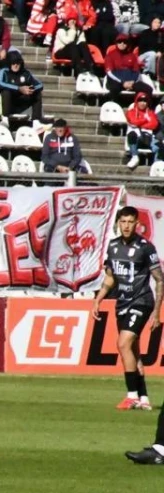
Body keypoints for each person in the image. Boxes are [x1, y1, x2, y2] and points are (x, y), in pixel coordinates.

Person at [92, 206, 163, 411]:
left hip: (141, 301)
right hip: (122, 303)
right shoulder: (113, 246)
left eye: (130, 222)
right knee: (133, 351)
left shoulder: (145, 247)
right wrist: (98, 299)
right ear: (118, 224)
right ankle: (143, 398)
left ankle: (131, 396)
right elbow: (110, 277)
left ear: (137, 224)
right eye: (123, 222)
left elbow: (159, 279)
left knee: (123, 344)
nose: (126, 226)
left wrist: (157, 311)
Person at [0, 51, 43, 125]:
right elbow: (0, 83)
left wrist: (30, 89)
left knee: (37, 93)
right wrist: (19, 88)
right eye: (13, 63)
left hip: (20, 103)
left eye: (18, 63)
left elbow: (40, 85)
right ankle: (5, 119)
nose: (16, 65)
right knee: (6, 92)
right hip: (6, 103)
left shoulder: (26, 73)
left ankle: (36, 122)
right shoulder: (4, 71)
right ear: (9, 63)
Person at [105, 32, 152, 99]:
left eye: (125, 42)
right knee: (114, 89)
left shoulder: (132, 56)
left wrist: (133, 82)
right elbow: (109, 72)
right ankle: (112, 105)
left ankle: (145, 107)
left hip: (131, 81)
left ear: (127, 44)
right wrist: (122, 82)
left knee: (148, 89)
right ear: (116, 43)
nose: (122, 44)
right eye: (120, 42)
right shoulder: (110, 55)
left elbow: (137, 71)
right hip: (116, 81)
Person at [124, 91, 159, 167]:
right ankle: (134, 156)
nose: (143, 103)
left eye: (145, 101)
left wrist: (140, 125)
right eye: (140, 101)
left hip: (148, 137)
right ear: (137, 101)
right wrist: (145, 120)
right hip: (137, 138)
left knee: (159, 146)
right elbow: (133, 122)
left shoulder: (151, 113)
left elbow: (154, 124)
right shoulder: (131, 112)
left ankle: (157, 166)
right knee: (132, 134)